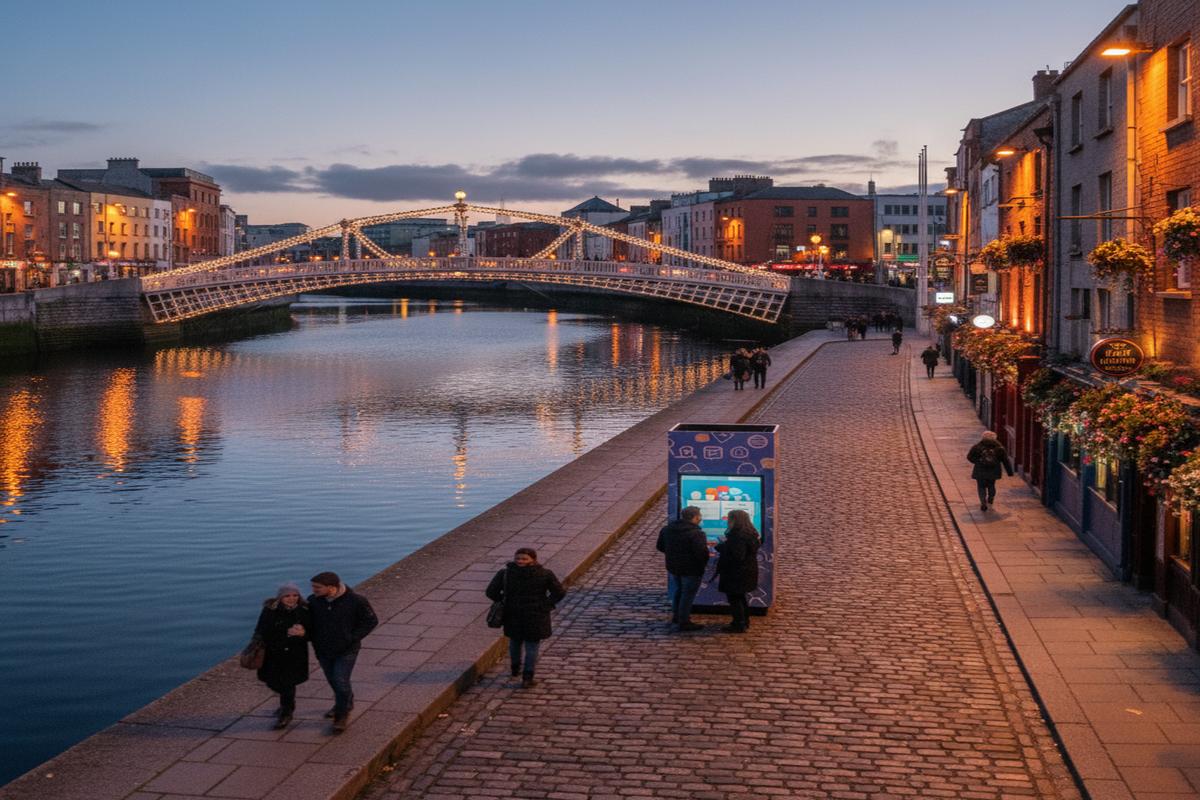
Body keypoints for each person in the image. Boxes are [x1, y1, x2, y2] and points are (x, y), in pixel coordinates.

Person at [308, 571, 378, 733]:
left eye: (317, 587)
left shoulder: (356, 601)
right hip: (323, 648)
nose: (314, 590)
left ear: (331, 588)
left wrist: (352, 638)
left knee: (340, 680)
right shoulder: (314, 601)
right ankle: (345, 702)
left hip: (347, 650)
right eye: (313, 587)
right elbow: (308, 622)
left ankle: (341, 715)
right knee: (333, 679)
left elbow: (371, 621)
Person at [486, 548, 565, 688]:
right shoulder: (545, 574)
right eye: (518, 558)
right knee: (531, 645)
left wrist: (503, 601)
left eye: (523, 559)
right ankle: (528, 676)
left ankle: (515, 668)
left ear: (532, 559)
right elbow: (558, 592)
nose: (520, 561)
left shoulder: (505, 573)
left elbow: (491, 592)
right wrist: (546, 604)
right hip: (536, 614)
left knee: (515, 641)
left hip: (513, 613)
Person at [253, 583, 311, 730]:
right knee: (271, 681)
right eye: (287, 596)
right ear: (280, 597)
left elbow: (313, 631)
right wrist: (285, 633)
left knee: (288, 683)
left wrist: (303, 633)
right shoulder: (270, 610)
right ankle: (287, 702)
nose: (292, 599)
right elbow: (261, 630)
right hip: (273, 653)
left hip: (295, 654)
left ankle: (286, 712)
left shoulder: (304, 610)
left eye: (295, 595)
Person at [656, 506, 710, 631]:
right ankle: (684, 621)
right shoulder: (697, 533)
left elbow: (660, 546)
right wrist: (703, 563)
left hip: (674, 567)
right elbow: (701, 553)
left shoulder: (667, 529)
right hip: (691, 569)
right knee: (688, 594)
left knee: (679, 590)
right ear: (696, 517)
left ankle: (677, 616)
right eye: (699, 516)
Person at [713, 509, 760, 634]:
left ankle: (738, 624)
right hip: (746, 571)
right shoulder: (750, 533)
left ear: (734, 520)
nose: (727, 522)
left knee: (734, 598)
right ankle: (744, 621)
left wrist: (722, 547)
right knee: (740, 597)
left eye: (729, 519)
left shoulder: (737, 536)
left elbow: (738, 555)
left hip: (737, 573)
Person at [967, 431, 1015, 512]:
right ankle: (990, 498)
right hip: (994, 471)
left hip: (980, 470)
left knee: (981, 487)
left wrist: (977, 461)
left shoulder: (977, 447)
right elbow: (1005, 461)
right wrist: (1010, 472)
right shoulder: (1000, 448)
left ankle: (983, 502)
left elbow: (969, 457)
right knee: (991, 485)